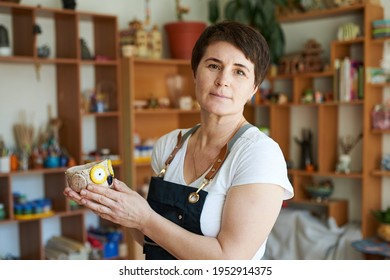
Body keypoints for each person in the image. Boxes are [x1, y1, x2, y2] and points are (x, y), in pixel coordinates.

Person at [64, 21, 294, 260]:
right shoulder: (169, 146)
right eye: (214, 65)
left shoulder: (259, 155)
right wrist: (117, 208)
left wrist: (145, 218)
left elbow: (230, 260)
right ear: (195, 73)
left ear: (254, 87)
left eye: (239, 71)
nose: (223, 80)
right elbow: (152, 240)